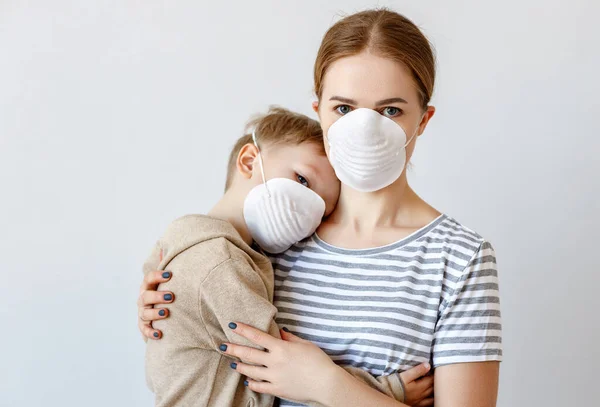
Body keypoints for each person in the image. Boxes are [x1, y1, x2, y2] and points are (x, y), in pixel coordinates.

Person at [138, 8, 502, 407]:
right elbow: (202, 319)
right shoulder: (273, 235)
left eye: (391, 110)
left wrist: (326, 385)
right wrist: (163, 302)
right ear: (320, 111)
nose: (364, 129)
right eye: (344, 108)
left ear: (424, 119)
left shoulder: (460, 257)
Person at [141, 107, 432, 407]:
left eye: (323, 208)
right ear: (249, 160)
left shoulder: (184, 238)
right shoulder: (222, 263)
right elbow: (281, 367)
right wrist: (388, 390)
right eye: (303, 180)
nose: (309, 209)